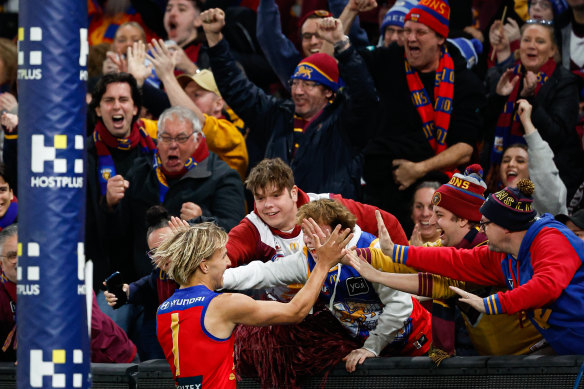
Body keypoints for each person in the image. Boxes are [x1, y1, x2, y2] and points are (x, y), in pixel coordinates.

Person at [353, 178, 584, 354]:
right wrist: (394, 251)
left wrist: (491, 303)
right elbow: (453, 261)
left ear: (505, 227)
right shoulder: (503, 255)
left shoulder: (551, 239)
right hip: (565, 351)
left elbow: (546, 286)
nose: (481, 231)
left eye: (484, 224)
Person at [223, 199, 432, 374]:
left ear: (339, 231)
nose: (307, 240)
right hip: (373, 351)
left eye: (315, 231)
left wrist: (371, 347)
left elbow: (400, 306)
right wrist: (216, 278)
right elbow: (262, 272)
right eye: (304, 231)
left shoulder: (372, 252)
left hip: (414, 343)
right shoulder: (307, 259)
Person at [202, 10, 379, 198]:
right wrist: (214, 38)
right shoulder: (278, 115)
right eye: (295, 83)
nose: (298, 91)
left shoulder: (347, 123)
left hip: (327, 222)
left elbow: (365, 95)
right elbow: (236, 87)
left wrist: (342, 46)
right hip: (274, 221)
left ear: (328, 91)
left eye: (309, 85)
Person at [337, 0, 485, 226]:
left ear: (440, 38)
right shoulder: (390, 59)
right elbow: (334, 59)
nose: (410, 38)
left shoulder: (464, 83)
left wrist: (418, 170)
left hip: (433, 195)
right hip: (380, 191)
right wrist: (351, 11)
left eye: (420, 32)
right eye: (407, 31)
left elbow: (465, 149)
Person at [156, 221, 352, 387]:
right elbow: (295, 311)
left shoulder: (163, 310)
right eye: (223, 256)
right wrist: (323, 264)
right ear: (204, 265)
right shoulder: (222, 305)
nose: (228, 263)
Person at [0, 224, 138, 363]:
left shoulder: (65, 277)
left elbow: (86, 326)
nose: (21, 260)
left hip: (110, 359)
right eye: (12, 256)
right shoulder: (4, 287)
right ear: (1, 263)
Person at [483, 19, 584, 199]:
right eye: (527, 40)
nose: (531, 46)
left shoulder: (564, 82)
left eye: (540, 41)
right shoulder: (504, 75)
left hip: (549, 182)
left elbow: (557, 135)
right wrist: (498, 98)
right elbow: (484, 130)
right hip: (499, 178)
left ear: (553, 49)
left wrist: (530, 99)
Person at [86, 72, 157, 294]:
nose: (117, 106)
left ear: (135, 108)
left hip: (151, 274)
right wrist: (108, 205)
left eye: (123, 100)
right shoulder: (82, 156)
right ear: (98, 109)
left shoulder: (155, 151)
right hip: (105, 277)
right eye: (109, 100)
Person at [491, 99, 568, 215]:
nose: (511, 164)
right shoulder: (491, 206)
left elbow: (544, 169)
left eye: (520, 161)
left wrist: (527, 122)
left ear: (533, 169)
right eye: (506, 160)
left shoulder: (546, 206)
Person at [409, 181, 441, 245]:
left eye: (432, 207)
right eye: (419, 206)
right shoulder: (395, 251)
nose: (425, 213)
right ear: (411, 212)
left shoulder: (456, 250)